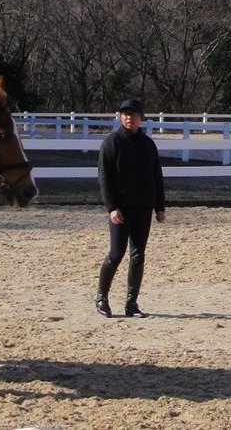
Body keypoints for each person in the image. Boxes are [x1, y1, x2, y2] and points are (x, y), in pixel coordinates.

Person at [94, 97, 166, 317]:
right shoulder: (111, 143)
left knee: (138, 255)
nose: (129, 118)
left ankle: (131, 302)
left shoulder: (148, 145)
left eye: (133, 114)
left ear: (140, 118)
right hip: (121, 210)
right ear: (120, 116)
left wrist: (159, 206)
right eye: (125, 114)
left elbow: (157, 177)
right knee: (116, 253)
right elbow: (104, 178)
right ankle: (101, 296)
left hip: (143, 209)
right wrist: (111, 207)